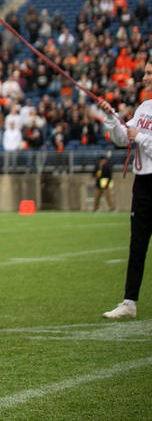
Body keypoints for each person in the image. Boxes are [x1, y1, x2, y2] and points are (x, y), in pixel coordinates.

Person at [98, 67, 152, 319]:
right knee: (137, 245)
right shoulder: (143, 108)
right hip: (142, 185)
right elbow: (122, 139)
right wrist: (111, 116)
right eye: (146, 72)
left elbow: (136, 137)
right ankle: (129, 302)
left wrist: (140, 137)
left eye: (150, 73)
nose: (145, 77)